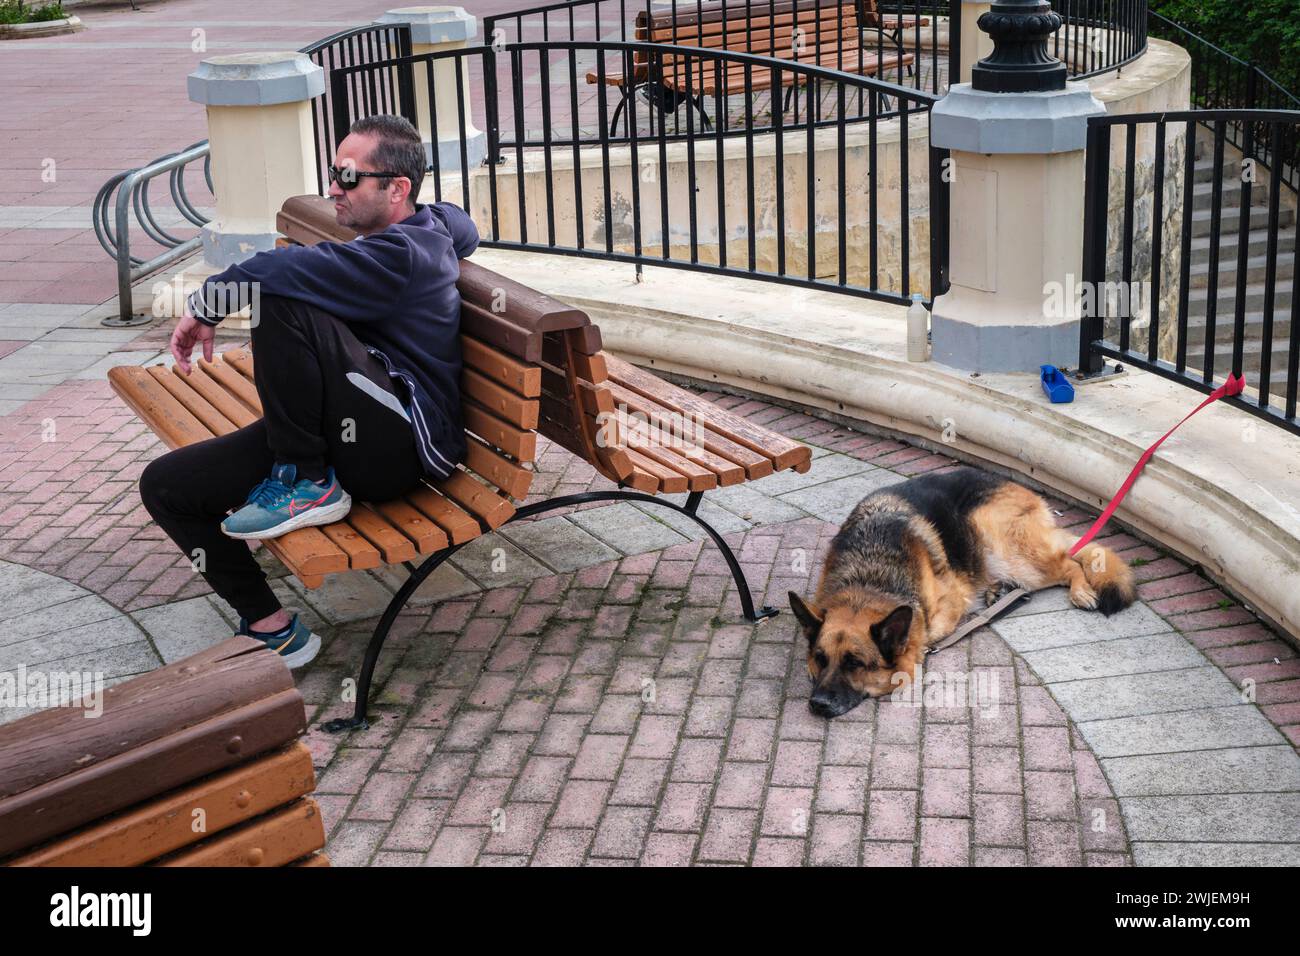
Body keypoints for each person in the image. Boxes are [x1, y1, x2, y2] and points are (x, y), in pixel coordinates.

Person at [139, 115, 479, 669]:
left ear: (396, 189)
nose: (333, 189)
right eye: (333, 173)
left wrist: (207, 303)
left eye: (348, 177)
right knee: (166, 486)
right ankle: (274, 629)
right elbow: (458, 223)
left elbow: (280, 269)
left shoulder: (400, 257)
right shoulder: (415, 232)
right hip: (342, 423)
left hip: (397, 446)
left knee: (280, 296)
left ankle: (308, 480)